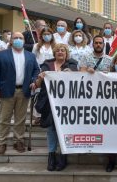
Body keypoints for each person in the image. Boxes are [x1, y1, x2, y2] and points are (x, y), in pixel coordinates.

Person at [0, 32, 39, 155]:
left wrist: (34, 81)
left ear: (24, 41)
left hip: (24, 90)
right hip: (6, 91)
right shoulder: (2, 55)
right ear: (10, 41)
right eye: (15, 38)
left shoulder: (31, 56)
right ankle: (1, 143)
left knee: (20, 119)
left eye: (20, 38)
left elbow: (36, 70)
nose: (18, 40)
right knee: (4, 119)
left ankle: (19, 141)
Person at [35, 43, 78, 171]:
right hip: (49, 102)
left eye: (63, 50)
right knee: (51, 129)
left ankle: (63, 155)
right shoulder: (46, 65)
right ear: (54, 53)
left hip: (67, 103)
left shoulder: (72, 64)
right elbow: (37, 85)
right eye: (58, 50)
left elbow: (78, 81)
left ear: (66, 53)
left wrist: (72, 74)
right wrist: (40, 78)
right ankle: (51, 155)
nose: (60, 52)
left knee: (64, 129)